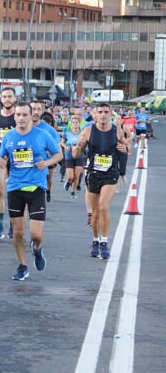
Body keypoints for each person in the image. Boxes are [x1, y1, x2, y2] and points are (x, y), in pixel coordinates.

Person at [0, 102, 63, 281]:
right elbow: (1, 158)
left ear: (31, 115)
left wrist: (47, 163)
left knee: (36, 235)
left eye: (25, 114)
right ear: (14, 117)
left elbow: (59, 154)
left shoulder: (42, 135)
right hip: (15, 188)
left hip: (36, 189)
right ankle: (22, 265)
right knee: (18, 232)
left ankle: (37, 250)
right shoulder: (9, 137)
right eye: (18, 115)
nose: (21, 118)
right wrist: (1, 162)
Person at [72, 102, 129, 260]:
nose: (103, 115)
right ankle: (95, 241)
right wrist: (78, 148)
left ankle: (104, 242)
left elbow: (126, 146)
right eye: (100, 112)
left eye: (106, 112)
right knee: (95, 212)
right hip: (93, 174)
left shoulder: (116, 131)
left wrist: (125, 148)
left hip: (110, 174)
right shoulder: (88, 131)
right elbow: (77, 152)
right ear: (94, 114)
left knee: (103, 207)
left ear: (110, 113)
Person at [0, 87, 18, 239]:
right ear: (1, 99)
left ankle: (14, 224)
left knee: (16, 192)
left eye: (10, 97)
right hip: (0, 155)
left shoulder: (18, 115)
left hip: (17, 157)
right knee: (0, 190)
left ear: (14, 99)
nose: (7, 99)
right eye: (4, 97)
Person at [61, 114, 85, 198]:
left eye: (76, 122)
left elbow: (86, 143)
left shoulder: (83, 133)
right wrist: (66, 147)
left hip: (80, 156)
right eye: (73, 122)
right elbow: (62, 142)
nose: (75, 124)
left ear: (79, 123)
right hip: (69, 156)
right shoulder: (67, 133)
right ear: (71, 123)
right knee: (71, 176)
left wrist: (81, 147)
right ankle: (68, 181)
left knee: (77, 175)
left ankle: (73, 192)